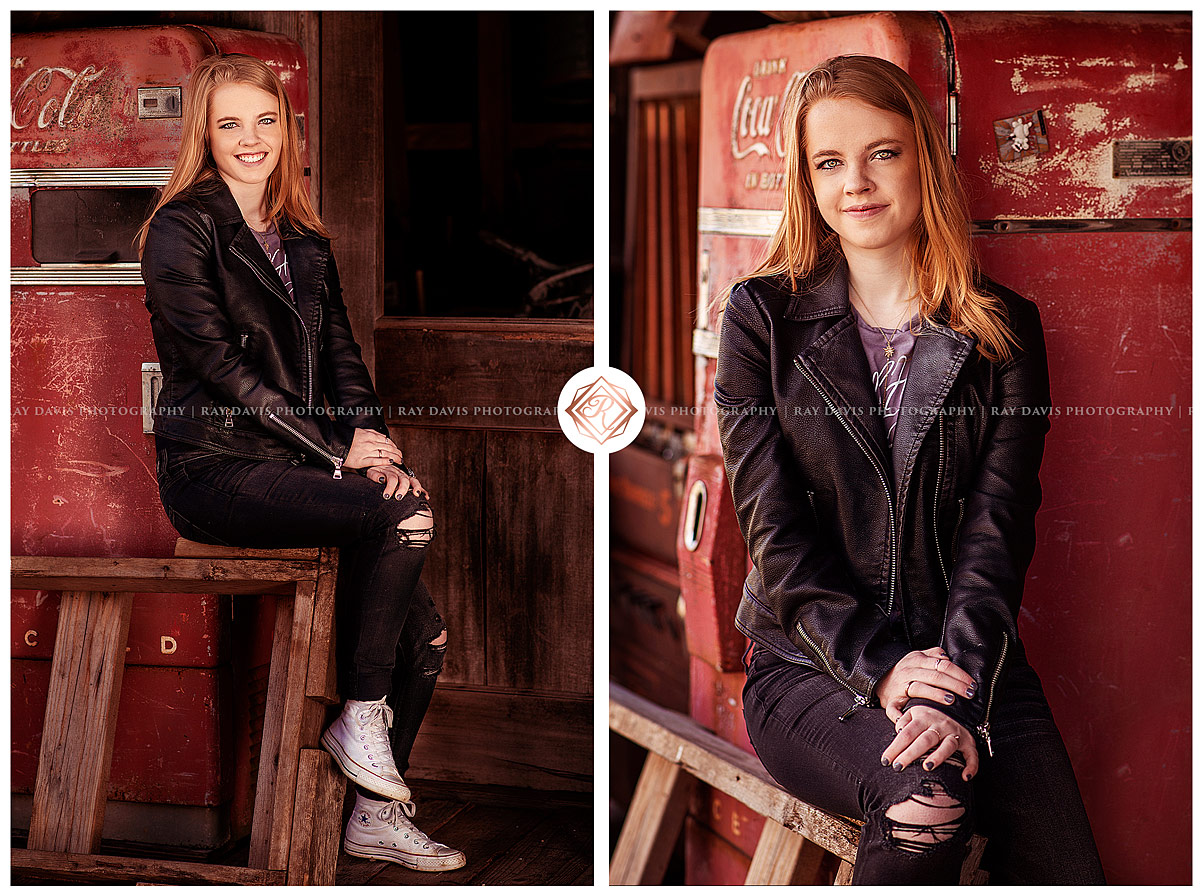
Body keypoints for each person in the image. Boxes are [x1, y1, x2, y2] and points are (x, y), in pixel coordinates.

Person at [714, 55, 1104, 884]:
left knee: (1064, 870)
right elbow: (772, 533)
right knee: (924, 802)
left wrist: (948, 690)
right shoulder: (762, 320)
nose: (856, 181)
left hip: (966, 655)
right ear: (808, 180)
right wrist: (882, 667)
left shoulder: (1005, 333)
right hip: (811, 665)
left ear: (924, 158)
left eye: (882, 152)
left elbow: (998, 529)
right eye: (829, 161)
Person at [137, 53, 465, 873]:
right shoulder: (182, 227)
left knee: (425, 635)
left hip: (304, 468)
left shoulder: (305, 241)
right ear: (204, 138)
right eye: (230, 124)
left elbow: (344, 361)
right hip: (212, 469)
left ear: (289, 129)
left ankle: (372, 818)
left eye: (266, 121)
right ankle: (359, 715)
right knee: (404, 516)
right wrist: (336, 450)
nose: (252, 140)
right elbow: (218, 367)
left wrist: (375, 448)